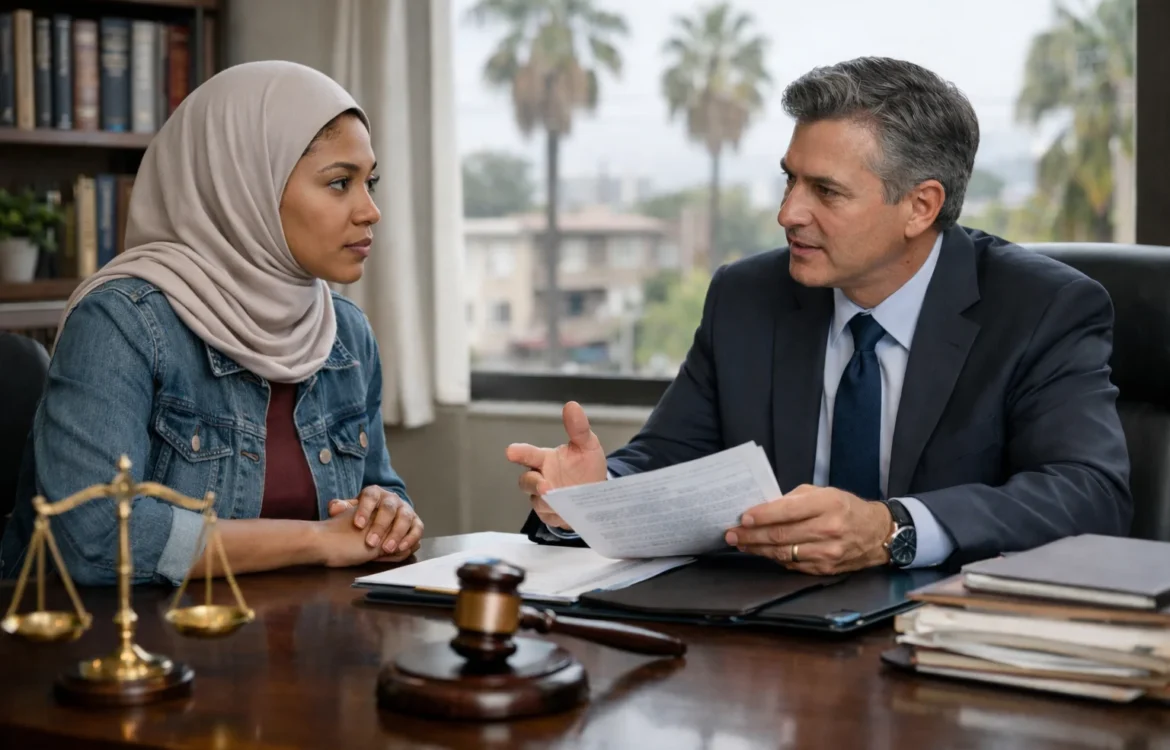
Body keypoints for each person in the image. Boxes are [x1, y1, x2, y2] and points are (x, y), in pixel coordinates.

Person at [507, 56, 1132, 575]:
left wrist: (893, 528)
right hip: (771, 647)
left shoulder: (1041, 308)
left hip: (950, 647)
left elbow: (1089, 494)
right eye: (789, 181)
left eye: (825, 191)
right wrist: (594, 493)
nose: (788, 214)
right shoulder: (746, 296)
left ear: (920, 206)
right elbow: (668, 461)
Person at [0, 61, 423, 586]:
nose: (370, 211)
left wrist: (388, 515)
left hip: (297, 644)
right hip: (132, 649)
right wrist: (316, 541)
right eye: (340, 183)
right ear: (244, 186)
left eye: (370, 182)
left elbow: (379, 490)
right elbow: (94, 536)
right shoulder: (122, 321)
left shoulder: (346, 332)